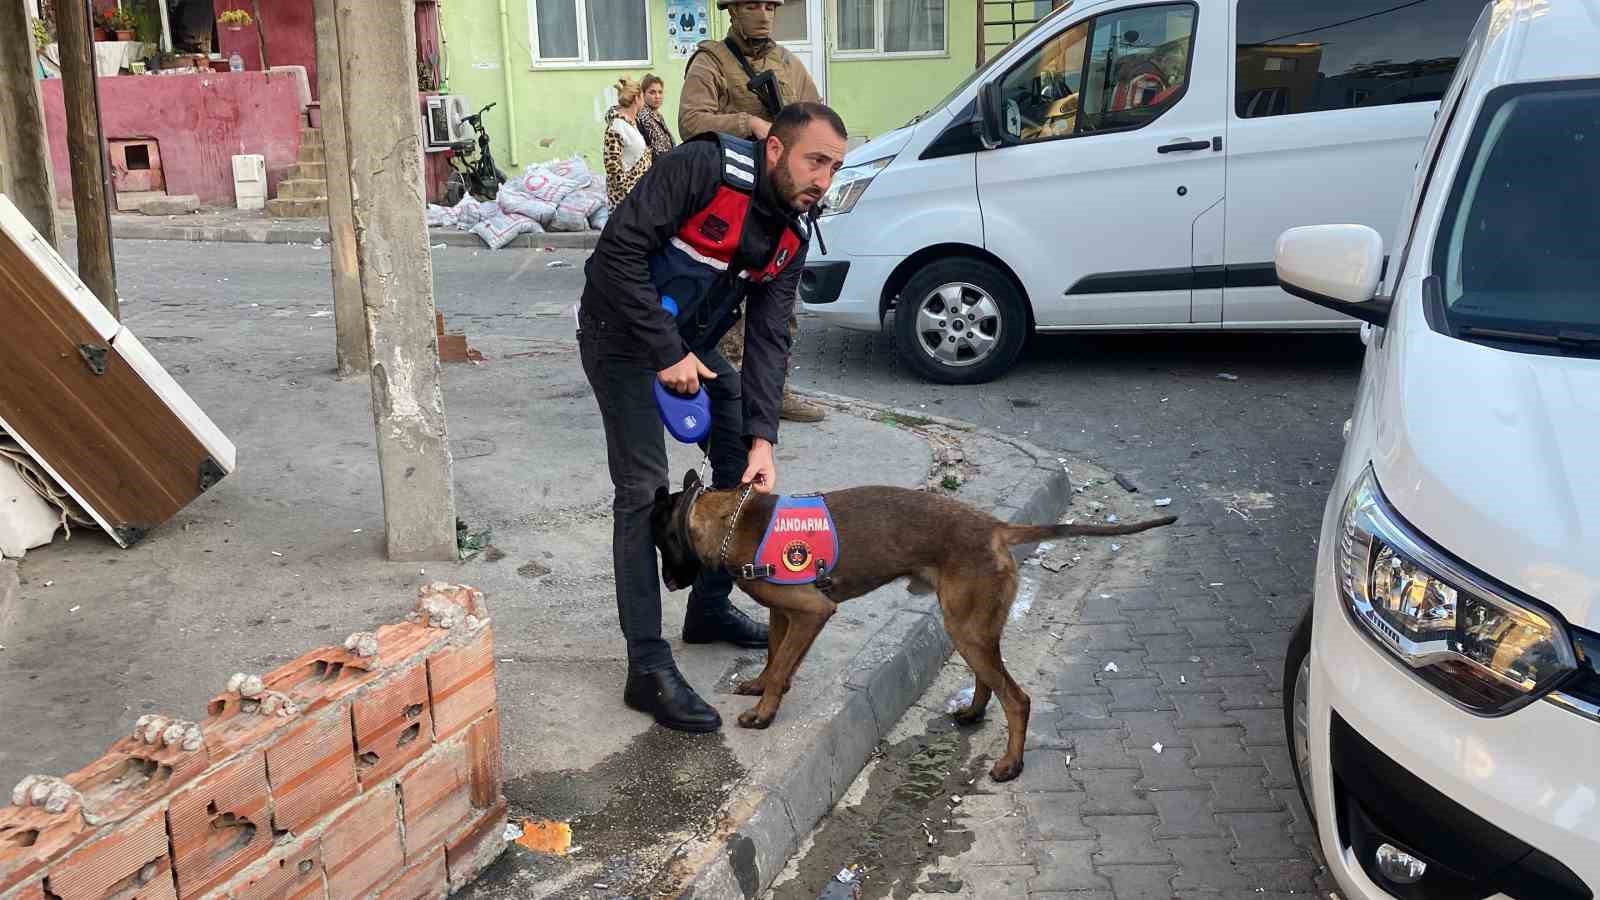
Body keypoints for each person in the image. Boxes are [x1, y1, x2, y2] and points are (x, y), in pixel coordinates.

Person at [578, 102, 848, 732]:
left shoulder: (791, 234)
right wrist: (665, 350)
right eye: (816, 161)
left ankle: (707, 608)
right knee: (642, 490)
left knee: (736, 461)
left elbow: (770, 339)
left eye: (834, 168)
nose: (824, 180)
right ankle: (646, 665)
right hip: (618, 333)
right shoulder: (702, 168)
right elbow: (615, 254)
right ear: (776, 151)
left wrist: (763, 440)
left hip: (687, 346)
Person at [680, 0, 829, 424]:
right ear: (731, 10)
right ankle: (723, 398)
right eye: (751, 5)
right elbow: (691, 121)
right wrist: (750, 124)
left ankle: (772, 393)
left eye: (770, 6)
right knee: (724, 311)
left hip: (777, 208)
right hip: (728, 204)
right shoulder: (712, 61)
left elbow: (817, 118)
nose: (763, 14)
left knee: (779, 310)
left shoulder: (787, 63)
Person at [602, 78, 653, 209]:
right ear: (637, 98)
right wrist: (630, 192)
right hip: (625, 202)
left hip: (638, 197)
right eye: (642, 96)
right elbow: (612, 166)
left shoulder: (631, 124)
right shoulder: (617, 126)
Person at [638, 74, 677, 158]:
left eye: (660, 92)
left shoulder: (657, 115)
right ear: (643, 94)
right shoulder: (644, 116)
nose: (657, 96)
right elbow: (659, 150)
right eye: (652, 92)